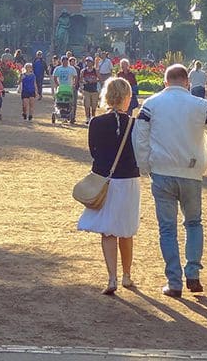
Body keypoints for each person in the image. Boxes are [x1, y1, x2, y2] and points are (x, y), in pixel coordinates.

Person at [132, 64, 207, 298]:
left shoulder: (151, 104)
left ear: (165, 82)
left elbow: (140, 138)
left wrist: (145, 167)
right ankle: (193, 272)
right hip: (192, 172)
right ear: (187, 82)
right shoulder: (200, 105)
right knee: (193, 223)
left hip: (162, 172)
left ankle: (173, 281)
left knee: (167, 229)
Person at [77, 77, 140, 295]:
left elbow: (93, 151)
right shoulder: (135, 124)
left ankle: (112, 277)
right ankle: (127, 275)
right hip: (129, 180)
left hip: (105, 179)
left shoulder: (96, 122)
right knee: (126, 230)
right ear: (127, 98)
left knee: (108, 231)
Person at [80, 56, 100, 124]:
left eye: (89, 62)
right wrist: (84, 82)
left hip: (94, 90)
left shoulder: (95, 71)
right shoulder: (83, 71)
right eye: (87, 62)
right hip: (86, 90)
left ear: (92, 63)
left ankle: (93, 117)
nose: (88, 63)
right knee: (87, 105)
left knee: (94, 105)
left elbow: (99, 79)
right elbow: (81, 80)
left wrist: (94, 80)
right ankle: (88, 118)